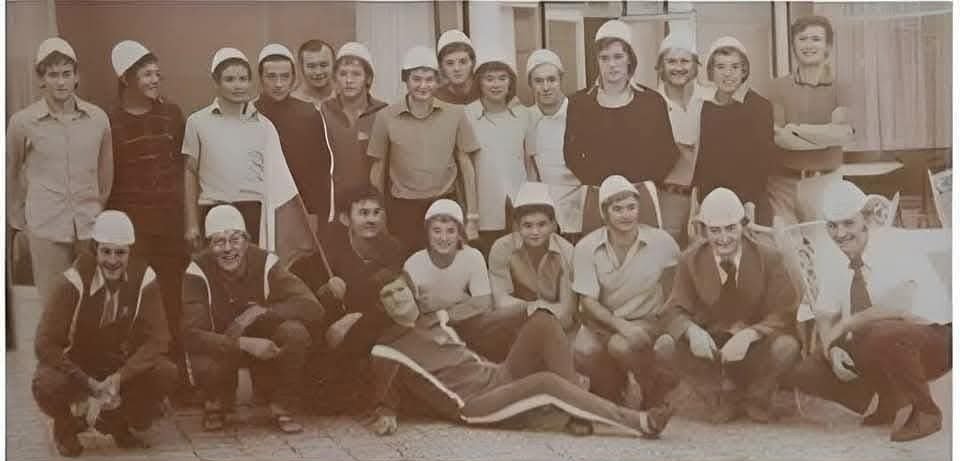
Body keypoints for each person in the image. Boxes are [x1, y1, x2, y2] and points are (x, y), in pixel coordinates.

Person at [364, 268, 674, 438]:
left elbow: (484, 322)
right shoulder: (389, 348)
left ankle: (573, 410)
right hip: (474, 405)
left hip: (499, 375)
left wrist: (524, 309)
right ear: (381, 306)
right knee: (544, 382)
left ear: (412, 291)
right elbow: (384, 394)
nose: (396, 298)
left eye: (400, 290)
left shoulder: (439, 318)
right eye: (387, 296)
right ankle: (639, 422)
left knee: (542, 320)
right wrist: (385, 414)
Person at [785, 181, 952, 442]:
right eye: (832, 225)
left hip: (936, 340)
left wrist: (847, 324)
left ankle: (926, 411)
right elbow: (825, 316)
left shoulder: (896, 243)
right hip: (883, 340)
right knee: (808, 371)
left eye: (848, 223)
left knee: (880, 333)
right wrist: (832, 350)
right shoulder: (833, 257)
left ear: (866, 219)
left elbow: (900, 305)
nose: (839, 233)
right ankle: (890, 400)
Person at [33, 211, 178, 456]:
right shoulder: (72, 281)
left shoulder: (145, 278)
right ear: (95, 250)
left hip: (117, 361)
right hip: (79, 361)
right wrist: (86, 382)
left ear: (130, 252)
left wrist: (122, 376)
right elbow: (44, 344)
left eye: (120, 253)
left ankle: (116, 420)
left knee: (166, 373)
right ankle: (65, 425)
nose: (112, 260)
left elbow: (159, 338)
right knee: (47, 383)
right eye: (106, 251)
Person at [659, 188, 801, 423]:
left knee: (787, 346)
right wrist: (692, 332)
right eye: (715, 230)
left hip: (755, 345)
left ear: (743, 225)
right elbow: (672, 309)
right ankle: (716, 397)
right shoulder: (690, 260)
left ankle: (757, 396)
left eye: (730, 228)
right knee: (665, 346)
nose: (724, 238)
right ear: (703, 230)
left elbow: (784, 311)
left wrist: (750, 334)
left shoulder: (769, 257)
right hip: (710, 345)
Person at [181, 205, 324, 434]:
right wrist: (244, 343)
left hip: (263, 345)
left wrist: (260, 313)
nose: (228, 249)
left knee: (295, 333)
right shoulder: (197, 270)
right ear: (209, 246)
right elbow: (191, 334)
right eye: (219, 242)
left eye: (235, 240)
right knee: (204, 357)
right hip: (224, 344)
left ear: (247, 241)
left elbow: (312, 307)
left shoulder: (266, 263)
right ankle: (215, 402)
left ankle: (281, 404)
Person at [7, 37, 113, 303]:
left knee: (91, 302)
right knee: (54, 306)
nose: (61, 82)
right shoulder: (22, 122)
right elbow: (9, 174)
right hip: (45, 228)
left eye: (67, 74)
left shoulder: (98, 118)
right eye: (53, 75)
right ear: (41, 79)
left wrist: (94, 209)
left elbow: (105, 173)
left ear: (77, 77)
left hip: (89, 227)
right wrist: (20, 220)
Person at [286, 185, 407, 413]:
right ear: (345, 219)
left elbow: (395, 299)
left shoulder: (394, 250)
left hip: (374, 328)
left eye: (376, 212)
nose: (371, 219)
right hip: (334, 335)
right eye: (363, 213)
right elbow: (304, 297)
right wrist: (326, 291)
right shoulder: (328, 254)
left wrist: (355, 318)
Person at [107, 41, 189, 372]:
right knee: (137, 298)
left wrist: (187, 222)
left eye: (158, 74)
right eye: (147, 74)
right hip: (132, 227)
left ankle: (177, 374)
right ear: (127, 79)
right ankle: (140, 373)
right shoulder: (110, 121)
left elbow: (184, 170)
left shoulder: (173, 114)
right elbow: (108, 180)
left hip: (170, 224)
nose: (155, 80)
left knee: (173, 296)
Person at [572, 175, 680, 410]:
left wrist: (661, 325)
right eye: (617, 209)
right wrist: (622, 326)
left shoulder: (662, 243)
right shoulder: (586, 247)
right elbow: (588, 302)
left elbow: (675, 289)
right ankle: (612, 389)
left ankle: (653, 389)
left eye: (631, 207)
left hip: (647, 320)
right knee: (583, 349)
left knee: (626, 346)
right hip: (602, 322)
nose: (626, 215)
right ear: (605, 213)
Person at [564, 20, 680, 235]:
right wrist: (597, 182)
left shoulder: (652, 102)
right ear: (597, 61)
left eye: (618, 57)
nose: (612, 64)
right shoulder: (580, 103)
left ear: (630, 59)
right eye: (604, 58)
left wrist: (643, 182)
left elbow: (668, 153)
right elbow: (571, 154)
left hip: (641, 196)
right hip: (596, 195)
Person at [368, 45, 481, 250]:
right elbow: (378, 169)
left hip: (445, 202)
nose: (423, 86)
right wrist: (379, 213)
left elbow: (466, 164)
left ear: (438, 80)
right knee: (409, 265)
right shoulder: (385, 117)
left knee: (448, 265)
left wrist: (472, 215)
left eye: (429, 79)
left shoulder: (455, 113)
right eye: (416, 79)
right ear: (405, 80)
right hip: (403, 208)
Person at [182, 48, 285, 247]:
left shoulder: (264, 125)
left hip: (253, 212)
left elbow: (276, 178)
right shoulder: (196, 122)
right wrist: (192, 223)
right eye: (229, 79)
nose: (238, 86)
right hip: (212, 209)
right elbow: (190, 173)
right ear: (216, 82)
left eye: (243, 79)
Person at [403, 199, 522, 362]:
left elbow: (483, 304)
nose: (443, 238)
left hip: (469, 325)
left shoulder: (473, 256)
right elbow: (413, 315)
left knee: (510, 319)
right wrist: (464, 301)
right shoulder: (413, 264)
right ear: (427, 233)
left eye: (450, 231)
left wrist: (443, 310)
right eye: (436, 231)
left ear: (460, 234)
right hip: (432, 332)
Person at [767, 15, 854, 226]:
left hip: (826, 183)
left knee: (826, 247)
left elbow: (842, 134)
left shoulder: (842, 87)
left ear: (828, 46)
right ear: (793, 46)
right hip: (782, 186)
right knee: (788, 252)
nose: (808, 45)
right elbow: (781, 138)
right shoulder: (776, 87)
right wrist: (825, 133)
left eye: (815, 39)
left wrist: (796, 129)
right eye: (802, 39)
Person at [695, 37, 777, 226]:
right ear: (711, 72)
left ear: (744, 71)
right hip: (714, 201)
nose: (728, 74)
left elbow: (763, 162)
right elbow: (705, 161)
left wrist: (747, 202)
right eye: (721, 67)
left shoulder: (759, 107)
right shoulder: (706, 108)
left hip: (750, 203)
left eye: (734, 67)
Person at [254, 43, 335, 227]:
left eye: (285, 76)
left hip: (302, 210)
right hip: (259, 209)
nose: (278, 84)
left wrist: (315, 213)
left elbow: (320, 170)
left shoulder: (308, 113)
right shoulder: (249, 115)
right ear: (260, 78)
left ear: (293, 78)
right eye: (271, 77)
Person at [464, 54, 538, 254]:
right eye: (489, 78)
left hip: (519, 205)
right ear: (479, 82)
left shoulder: (523, 115)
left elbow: (529, 164)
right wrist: (471, 216)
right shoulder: (467, 115)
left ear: (511, 82)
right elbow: (466, 167)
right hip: (483, 209)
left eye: (502, 78)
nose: (496, 84)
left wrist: (533, 203)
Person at [488, 182, 578, 334]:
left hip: (557, 329)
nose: (535, 232)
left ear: (553, 225)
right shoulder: (501, 248)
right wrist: (539, 307)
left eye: (542, 224)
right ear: (517, 226)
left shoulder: (568, 252)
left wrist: (530, 309)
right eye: (527, 226)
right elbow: (501, 303)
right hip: (516, 326)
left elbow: (565, 315)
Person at [654, 33, 706, 247]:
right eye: (671, 61)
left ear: (695, 66)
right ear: (661, 66)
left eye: (685, 61)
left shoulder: (709, 100)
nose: (678, 67)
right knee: (670, 260)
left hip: (704, 195)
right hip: (669, 197)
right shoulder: (652, 104)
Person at [526, 49, 585, 239]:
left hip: (582, 211)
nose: (545, 87)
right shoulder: (527, 118)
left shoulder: (581, 114)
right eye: (538, 81)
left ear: (561, 80)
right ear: (530, 84)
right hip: (546, 220)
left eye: (551, 80)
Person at [322, 42, 388, 200]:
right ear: (335, 78)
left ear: (368, 78)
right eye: (343, 74)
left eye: (356, 74)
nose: (349, 80)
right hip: (333, 202)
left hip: (371, 204)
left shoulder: (383, 113)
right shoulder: (324, 111)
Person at [434, 29, 478, 105]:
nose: (457, 68)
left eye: (463, 62)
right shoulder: (437, 97)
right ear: (441, 67)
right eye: (450, 63)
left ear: (472, 63)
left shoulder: (486, 91)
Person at [291, 39, 336, 106]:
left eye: (323, 65)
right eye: (311, 66)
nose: (318, 72)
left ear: (334, 64)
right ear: (301, 67)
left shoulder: (345, 99)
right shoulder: (291, 102)